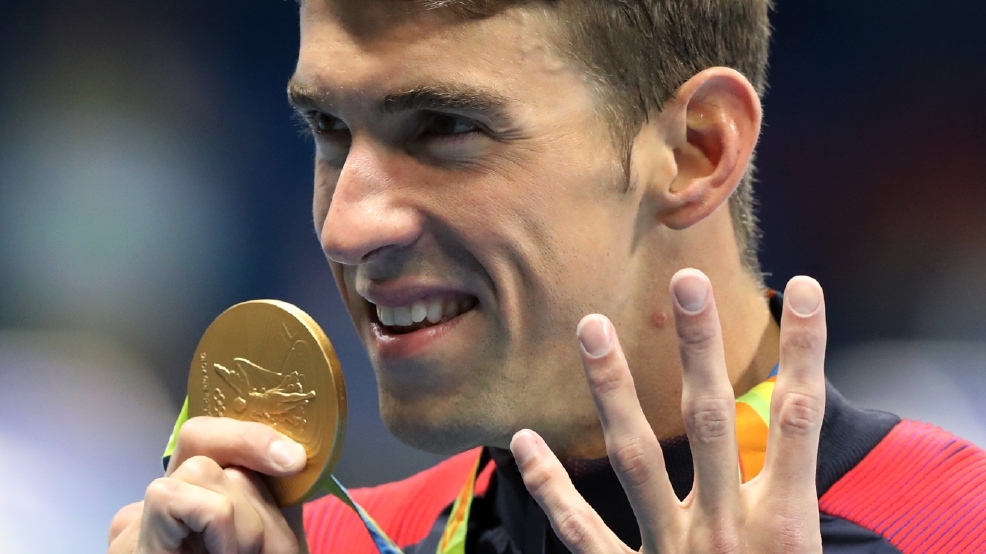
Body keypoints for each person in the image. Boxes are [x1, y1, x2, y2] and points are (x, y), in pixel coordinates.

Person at [108, 1, 986, 553]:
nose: (347, 227)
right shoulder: (312, 543)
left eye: (444, 127)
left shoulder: (958, 527)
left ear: (696, 151)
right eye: (330, 130)